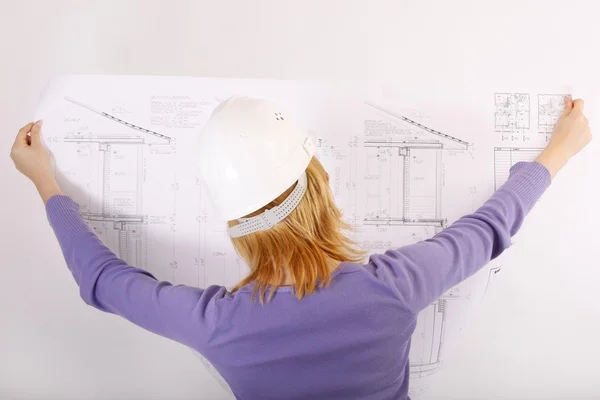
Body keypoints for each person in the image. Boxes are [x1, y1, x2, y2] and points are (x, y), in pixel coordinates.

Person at [11, 95, 591, 400]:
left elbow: (102, 280)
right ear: (320, 187)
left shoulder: (214, 323)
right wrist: (559, 151)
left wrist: (46, 182)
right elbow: (490, 228)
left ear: (235, 222)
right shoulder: (391, 289)